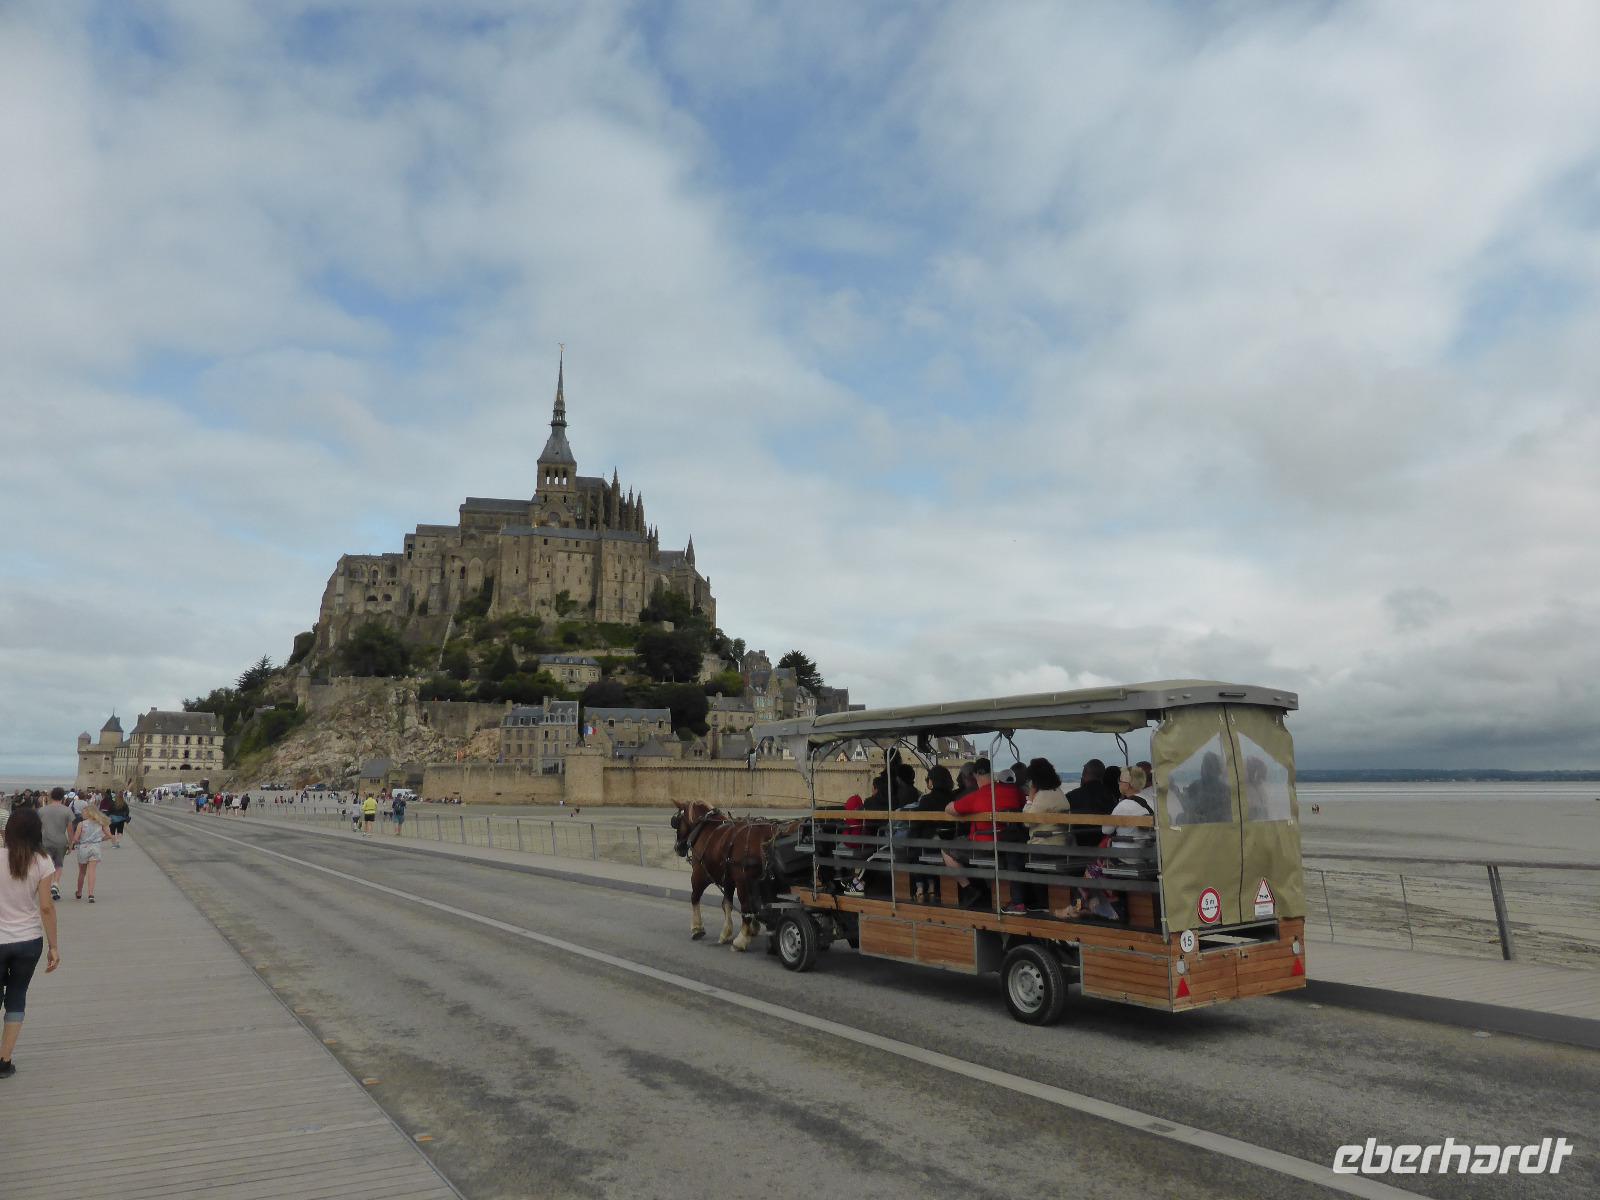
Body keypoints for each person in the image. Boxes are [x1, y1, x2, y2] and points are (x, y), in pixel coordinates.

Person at [0, 806, 61, 1078]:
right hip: (28, 941)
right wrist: (54, 946)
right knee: (16, 996)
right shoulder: (43, 861)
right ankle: (4, 1060)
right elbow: (46, 907)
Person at [943, 758, 1024, 909]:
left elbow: (950, 809)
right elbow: (1023, 803)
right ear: (991, 772)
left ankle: (969, 889)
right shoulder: (1012, 790)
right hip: (1011, 844)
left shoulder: (976, 796)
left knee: (947, 849)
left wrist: (965, 815)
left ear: (975, 775)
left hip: (985, 845)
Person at [1006, 758, 1069, 914]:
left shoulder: (1042, 796)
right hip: (1061, 844)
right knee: (1025, 855)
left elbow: (1027, 822)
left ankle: (1018, 903)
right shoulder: (1058, 792)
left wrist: (1030, 799)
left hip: (1044, 847)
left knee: (1013, 857)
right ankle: (1040, 901)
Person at [67, 804, 109, 902]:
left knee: (82, 872)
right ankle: (91, 894)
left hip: (83, 848)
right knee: (92, 871)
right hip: (95, 847)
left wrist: (72, 844)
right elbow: (109, 836)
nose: (82, 814)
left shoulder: (81, 824)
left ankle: (79, 892)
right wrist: (99, 839)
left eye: (83, 812)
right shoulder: (100, 823)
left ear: (89, 813)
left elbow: (76, 839)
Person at [39, 790, 72, 902]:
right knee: (59, 864)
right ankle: (55, 884)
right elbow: (70, 829)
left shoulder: (42, 810)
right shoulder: (67, 810)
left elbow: (38, 827)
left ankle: (46, 887)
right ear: (62, 797)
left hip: (45, 841)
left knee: (47, 865)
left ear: (51, 797)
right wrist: (71, 843)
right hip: (61, 841)